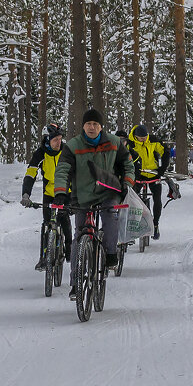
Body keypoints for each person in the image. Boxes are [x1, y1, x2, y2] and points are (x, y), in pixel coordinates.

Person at [53, 108, 135, 299]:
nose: (91, 127)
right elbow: (62, 170)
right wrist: (61, 193)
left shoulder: (114, 143)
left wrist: (126, 184)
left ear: (101, 126)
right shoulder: (72, 146)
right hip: (81, 195)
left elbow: (128, 165)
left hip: (108, 192)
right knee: (78, 236)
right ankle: (75, 283)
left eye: (95, 124)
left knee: (110, 216)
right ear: (83, 126)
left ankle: (111, 253)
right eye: (88, 124)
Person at [21, 123, 71, 270]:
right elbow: (30, 173)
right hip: (49, 193)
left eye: (60, 139)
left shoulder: (66, 152)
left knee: (65, 219)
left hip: (67, 191)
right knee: (46, 224)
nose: (58, 142)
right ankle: (44, 258)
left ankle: (69, 250)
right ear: (47, 140)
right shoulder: (40, 154)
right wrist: (26, 194)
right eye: (55, 140)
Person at [125, 124, 171, 240]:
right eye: (142, 138)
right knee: (133, 200)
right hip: (138, 175)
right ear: (136, 136)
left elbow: (165, 151)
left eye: (146, 137)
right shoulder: (130, 144)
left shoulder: (153, 140)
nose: (145, 139)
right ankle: (133, 225)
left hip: (153, 174)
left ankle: (155, 224)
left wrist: (161, 169)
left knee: (157, 198)